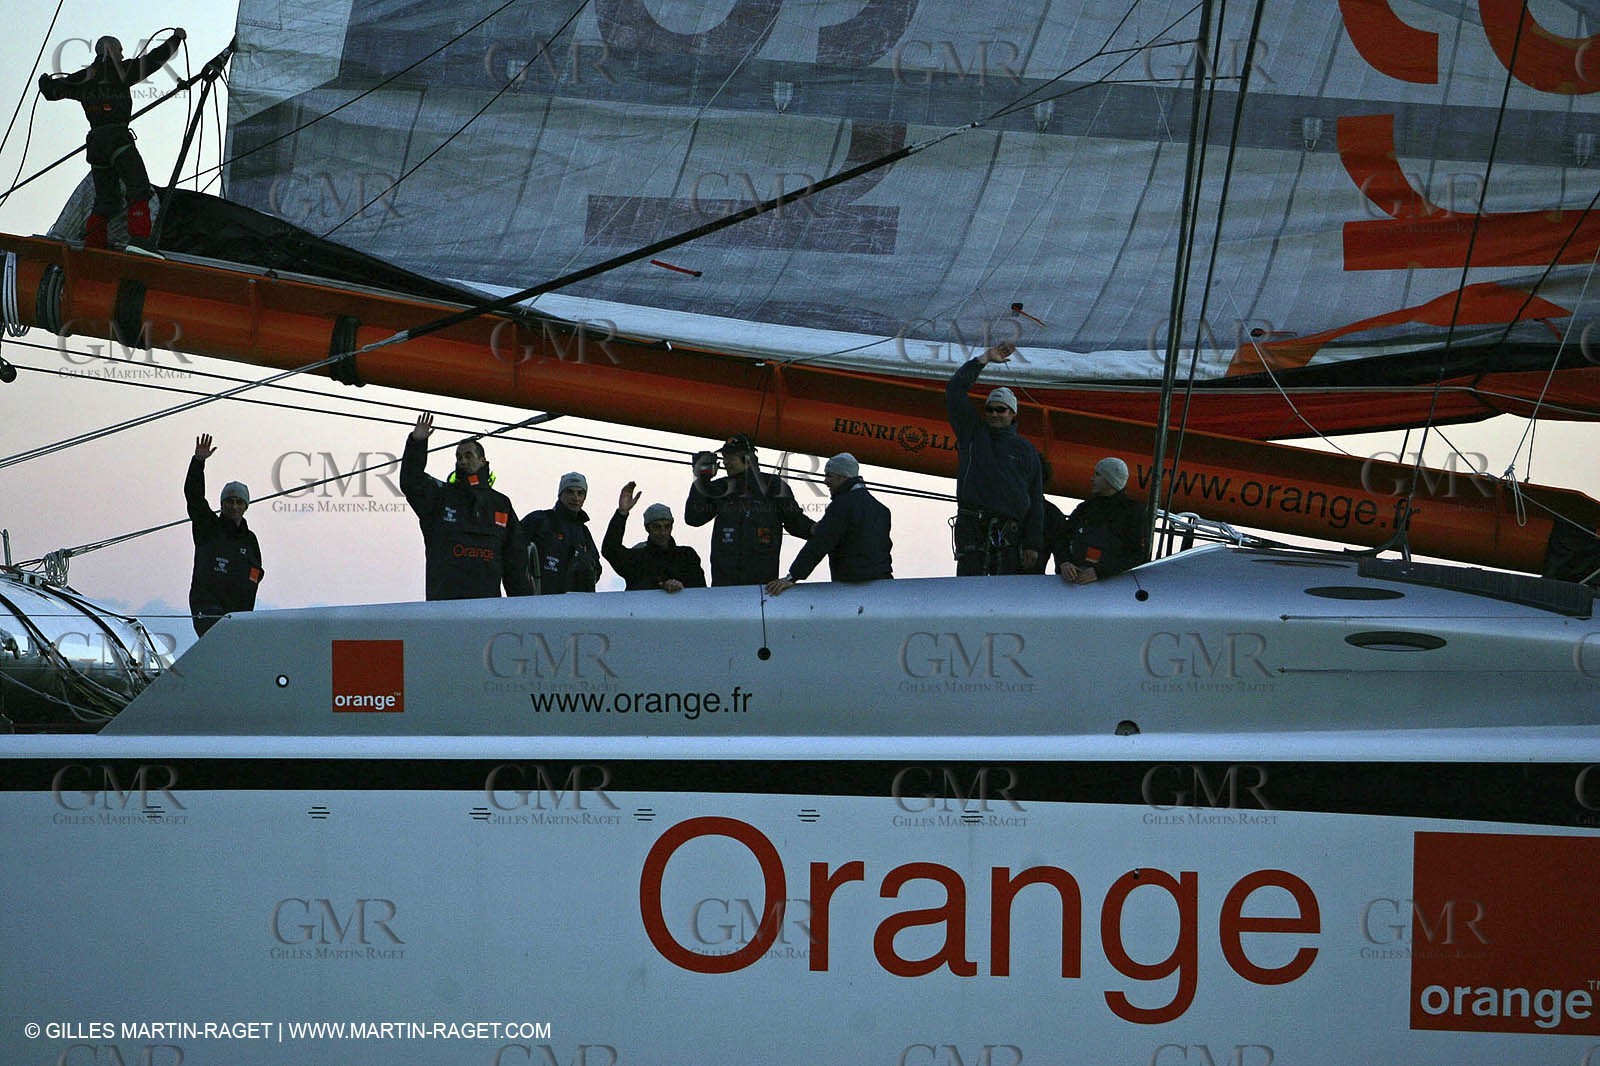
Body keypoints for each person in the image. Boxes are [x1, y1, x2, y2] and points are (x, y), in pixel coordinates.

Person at [38, 29, 187, 250]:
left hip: (95, 144)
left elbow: (52, 92)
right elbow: (155, 59)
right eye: (120, 50)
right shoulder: (121, 70)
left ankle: (93, 243)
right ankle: (140, 241)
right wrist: (176, 39)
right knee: (139, 187)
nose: (123, 54)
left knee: (107, 200)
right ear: (111, 50)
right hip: (117, 140)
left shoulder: (82, 77)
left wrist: (45, 81)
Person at [400, 413, 532, 600]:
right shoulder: (441, 496)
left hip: (487, 606)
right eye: (459, 457)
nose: (462, 461)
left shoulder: (501, 504)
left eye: (469, 456)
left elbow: (515, 562)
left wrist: (523, 606)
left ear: (483, 461)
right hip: (445, 605)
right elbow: (411, 483)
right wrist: (417, 443)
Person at [946, 341, 1044, 575]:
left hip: (1009, 534)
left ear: (1013, 413)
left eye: (1001, 409)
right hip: (972, 528)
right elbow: (954, 392)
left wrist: (1033, 544)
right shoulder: (973, 433)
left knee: (1002, 590)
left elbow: (1036, 498)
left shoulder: (1026, 450)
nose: (994, 414)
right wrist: (983, 359)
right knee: (969, 588)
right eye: (989, 409)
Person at [684, 433, 815, 586]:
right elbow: (694, 518)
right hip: (725, 584)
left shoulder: (773, 485)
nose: (725, 462)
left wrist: (818, 530)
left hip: (761, 586)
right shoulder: (720, 487)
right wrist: (702, 480)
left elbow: (795, 521)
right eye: (724, 458)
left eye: (730, 458)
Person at [766, 453, 891, 595]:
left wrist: (793, 576)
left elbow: (820, 544)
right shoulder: (881, 509)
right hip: (882, 582)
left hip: (852, 584)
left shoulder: (841, 506)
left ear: (842, 477)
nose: (825, 481)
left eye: (829, 476)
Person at [185, 433, 263, 637]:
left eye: (239, 502)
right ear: (222, 504)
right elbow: (194, 497)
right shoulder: (208, 527)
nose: (234, 506)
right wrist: (198, 462)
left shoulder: (249, 540)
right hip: (208, 611)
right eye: (229, 501)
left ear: (245, 506)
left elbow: (256, 573)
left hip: (237, 617)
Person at [1058, 457, 1149, 584]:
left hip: (1110, 587)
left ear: (1110, 479)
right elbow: (1061, 537)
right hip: (1074, 583)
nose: (1092, 479)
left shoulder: (1133, 512)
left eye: (1097, 474)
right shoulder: (1086, 507)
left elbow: (1137, 555)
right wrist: (1064, 562)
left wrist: (1099, 572)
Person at [601, 483, 706, 593]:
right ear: (647, 528)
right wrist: (622, 513)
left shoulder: (687, 556)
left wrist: (680, 587)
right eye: (657, 527)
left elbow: (700, 592)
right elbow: (610, 550)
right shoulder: (637, 559)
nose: (662, 532)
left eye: (667, 526)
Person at [522, 472, 603, 594]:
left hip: (576, 602)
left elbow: (596, 569)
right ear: (560, 494)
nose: (575, 498)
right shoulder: (539, 521)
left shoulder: (584, 533)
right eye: (570, 492)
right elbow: (513, 552)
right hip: (540, 600)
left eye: (580, 493)